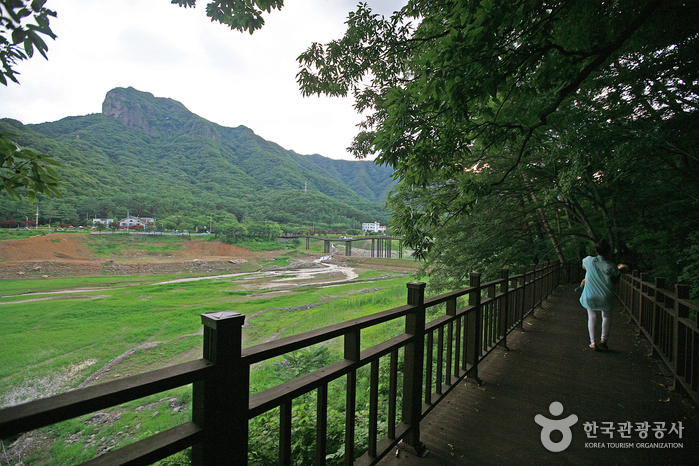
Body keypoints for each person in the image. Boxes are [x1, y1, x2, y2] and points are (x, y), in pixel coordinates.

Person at [579, 239, 629, 351]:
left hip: (590, 295)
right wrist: (620, 269)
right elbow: (615, 281)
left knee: (591, 317)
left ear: (596, 250)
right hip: (605, 295)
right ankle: (604, 340)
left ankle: (592, 342)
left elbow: (583, 266)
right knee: (606, 316)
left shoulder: (588, 260)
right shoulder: (611, 266)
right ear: (609, 251)